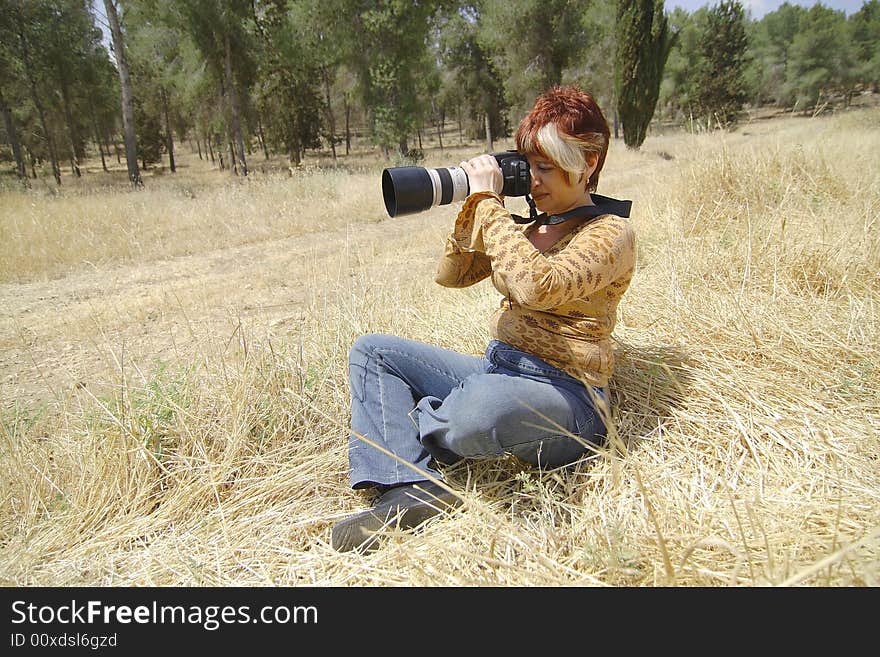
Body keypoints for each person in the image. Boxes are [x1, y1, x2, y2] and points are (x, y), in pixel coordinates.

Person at [331, 85, 636, 553]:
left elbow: (540, 286)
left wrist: (490, 208)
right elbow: (450, 275)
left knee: (484, 408)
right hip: (501, 369)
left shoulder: (611, 232)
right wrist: (471, 206)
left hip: (570, 395)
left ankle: (415, 423)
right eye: (528, 164)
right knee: (373, 352)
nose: (533, 180)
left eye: (546, 167)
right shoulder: (529, 227)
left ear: (589, 163)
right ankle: (407, 486)